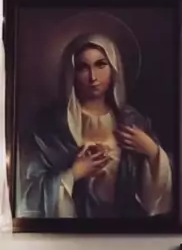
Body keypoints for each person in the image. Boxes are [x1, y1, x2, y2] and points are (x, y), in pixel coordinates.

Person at [18, 32, 173, 219]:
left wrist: (152, 152)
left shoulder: (133, 120)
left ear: (114, 68)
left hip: (126, 228)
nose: (93, 77)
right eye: (83, 68)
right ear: (71, 73)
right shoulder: (49, 126)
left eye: (101, 65)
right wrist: (74, 173)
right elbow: (27, 191)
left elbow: (156, 199)